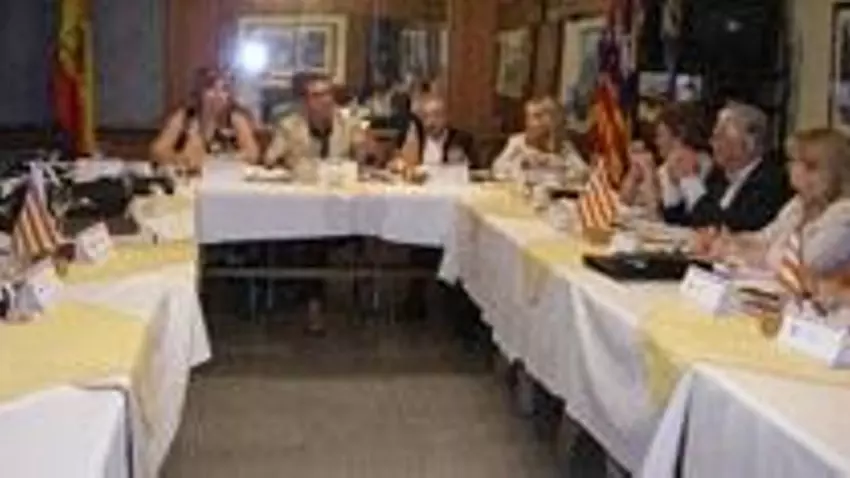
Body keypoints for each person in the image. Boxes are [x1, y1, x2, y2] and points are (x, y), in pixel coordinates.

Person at [704, 129, 850, 278]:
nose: (788, 167)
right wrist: (732, 240)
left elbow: (802, 263)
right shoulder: (797, 204)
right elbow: (765, 237)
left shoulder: (843, 216)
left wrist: (746, 253)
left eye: (793, 161)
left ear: (815, 169)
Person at [662, 102, 792, 231]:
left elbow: (726, 227)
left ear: (749, 144)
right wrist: (676, 184)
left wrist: (690, 179)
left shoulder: (770, 182)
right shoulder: (719, 175)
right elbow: (684, 222)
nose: (712, 143)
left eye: (720, 137)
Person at [151, 67, 259, 172]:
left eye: (224, 90)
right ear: (200, 93)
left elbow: (252, 154)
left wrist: (220, 160)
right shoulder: (185, 117)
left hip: (226, 177)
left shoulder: (235, 119)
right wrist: (181, 159)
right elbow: (157, 152)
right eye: (211, 89)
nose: (218, 95)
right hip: (189, 177)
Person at [264, 72, 371, 176]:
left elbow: (362, 160)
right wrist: (288, 168)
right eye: (313, 96)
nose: (324, 100)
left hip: (339, 183)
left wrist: (363, 150)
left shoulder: (349, 124)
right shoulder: (289, 126)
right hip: (301, 183)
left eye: (324, 94)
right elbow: (270, 161)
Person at [619, 102, 712, 219]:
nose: (657, 142)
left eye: (660, 135)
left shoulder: (691, 162)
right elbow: (625, 199)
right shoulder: (666, 166)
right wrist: (634, 171)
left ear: (678, 136)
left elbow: (657, 214)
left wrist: (648, 172)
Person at [491, 96, 588, 184]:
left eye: (537, 117)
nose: (530, 123)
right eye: (528, 117)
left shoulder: (563, 147)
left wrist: (553, 162)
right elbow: (497, 168)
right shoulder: (517, 143)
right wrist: (522, 162)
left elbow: (583, 172)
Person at [398, 94, 478, 170]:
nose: (430, 122)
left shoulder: (462, 139)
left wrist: (463, 162)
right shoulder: (416, 139)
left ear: (446, 117)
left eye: (436, 115)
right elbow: (402, 164)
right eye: (425, 116)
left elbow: (476, 169)